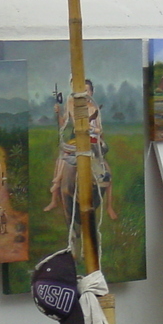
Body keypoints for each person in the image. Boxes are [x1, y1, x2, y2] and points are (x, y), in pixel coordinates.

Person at [43, 79, 117, 220]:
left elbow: (99, 129)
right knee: (61, 158)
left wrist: (93, 129)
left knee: (107, 170)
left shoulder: (94, 108)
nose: (84, 93)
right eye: (82, 91)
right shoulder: (70, 104)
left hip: (92, 139)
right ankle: (54, 196)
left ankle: (109, 207)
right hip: (76, 138)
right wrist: (58, 114)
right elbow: (64, 123)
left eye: (87, 91)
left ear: (91, 93)